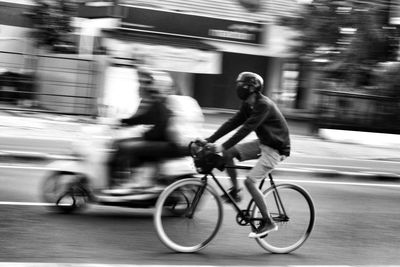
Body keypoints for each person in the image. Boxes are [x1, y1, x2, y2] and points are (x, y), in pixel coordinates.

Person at [200, 71, 291, 238]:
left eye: (241, 85)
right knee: (228, 153)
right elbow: (232, 123)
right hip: (264, 142)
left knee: (250, 182)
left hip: (276, 148)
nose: (238, 88)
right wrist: (209, 139)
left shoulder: (263, 105)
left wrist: (221, 146)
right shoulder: (248, 104)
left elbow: (246, 129)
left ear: (251, 88)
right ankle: (235, 191)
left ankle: (268, 221)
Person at [106, 67, 183, 191]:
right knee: (125, 144)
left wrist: (142, 134)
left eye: (151, 83)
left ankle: (120, 182)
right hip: (164, 140)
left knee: (125, 147)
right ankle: (128, 178)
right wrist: (123, 122)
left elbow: (158, 126)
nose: (149, 87)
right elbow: (145, 118)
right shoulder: (161, 101)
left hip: (166, 143)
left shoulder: (162, 102)